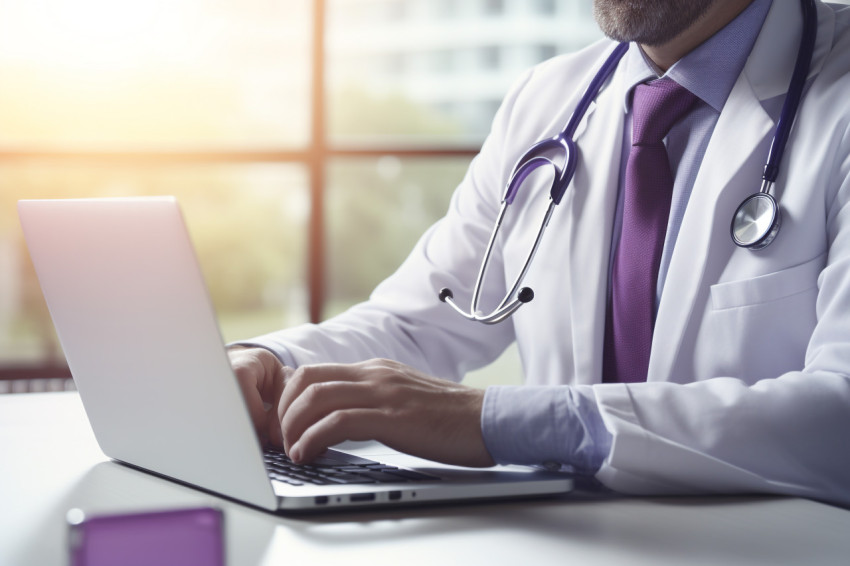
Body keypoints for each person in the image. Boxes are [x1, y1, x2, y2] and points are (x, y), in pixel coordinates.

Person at [229, 0, 850, 506]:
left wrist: (495, 422)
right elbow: (418, 321)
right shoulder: (548, 98)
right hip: (566, 544)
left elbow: (838, 417)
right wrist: (272, 362)